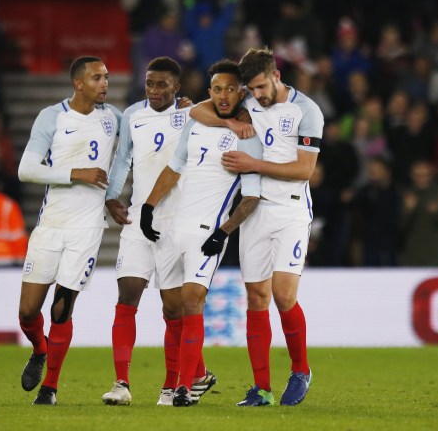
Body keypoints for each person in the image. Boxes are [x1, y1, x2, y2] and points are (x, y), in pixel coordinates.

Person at [189, 48, 324, 406]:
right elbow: (197, 110)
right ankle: (261, 388)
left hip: (291, 212)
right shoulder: (247, 100)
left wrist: (253, 163)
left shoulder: (306, 111)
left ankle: (300, 370)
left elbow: (304, 171)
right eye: (251, 88)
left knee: (283, 295)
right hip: (255, 214)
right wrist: (229, 122)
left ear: (276, 75)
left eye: (262, 86)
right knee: (256, 298)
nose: (258, 95)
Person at [141, 59, 262, 406]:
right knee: (174, 308)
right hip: (175, 225)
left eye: (230, 89)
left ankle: (182, 388)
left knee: (193, 299)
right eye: (217, 89)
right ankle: (198, 376)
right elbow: (175, 167)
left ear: (241, 92)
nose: (224, 95)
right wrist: (149, 207)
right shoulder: (195, 124)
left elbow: (252, 196)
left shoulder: (247, 135)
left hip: (208, 230)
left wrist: (223, 233)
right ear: (209, 92)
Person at [100, 57, 215, 407]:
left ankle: (172, 385)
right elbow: (122, 160)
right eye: (150, 83)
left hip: (176, 223)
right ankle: (121, 383)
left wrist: (196, 107)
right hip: (138, 219)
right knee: (127, 297)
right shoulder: (133, 115)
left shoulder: (192, 115)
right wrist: (112, 196)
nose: (155, 90)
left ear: (177, 87)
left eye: (163, 84)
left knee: (173, 309)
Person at [16, 56, 121, 406]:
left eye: (106, 77)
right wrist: (75, 173)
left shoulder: (114, 118)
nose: (104, 83)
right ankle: (39, 348)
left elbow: (147, 125)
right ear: (78, 83)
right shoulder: (52, 116)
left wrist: (182, 107)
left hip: (87, 229)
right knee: (28, 313)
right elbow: (26, 169)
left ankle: (50, 388)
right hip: (51, 226)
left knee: (62, 308)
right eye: (97, 78)